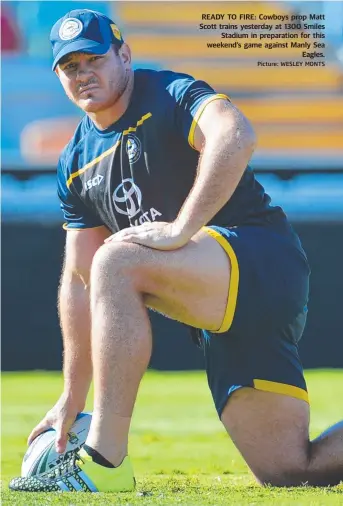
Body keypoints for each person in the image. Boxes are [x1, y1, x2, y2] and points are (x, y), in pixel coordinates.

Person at [10, 8, 343, 493]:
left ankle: (104, 464)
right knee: (290, 469)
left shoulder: (166, 92)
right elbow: (80, 281)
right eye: (69, 67)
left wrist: (181, 228)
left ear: (124, 54)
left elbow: (236, 135)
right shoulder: (75, 162)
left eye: (94, 60)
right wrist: (69, 396)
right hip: (223, 313)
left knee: (118, 260)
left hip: (260, 261)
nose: (83, 74)